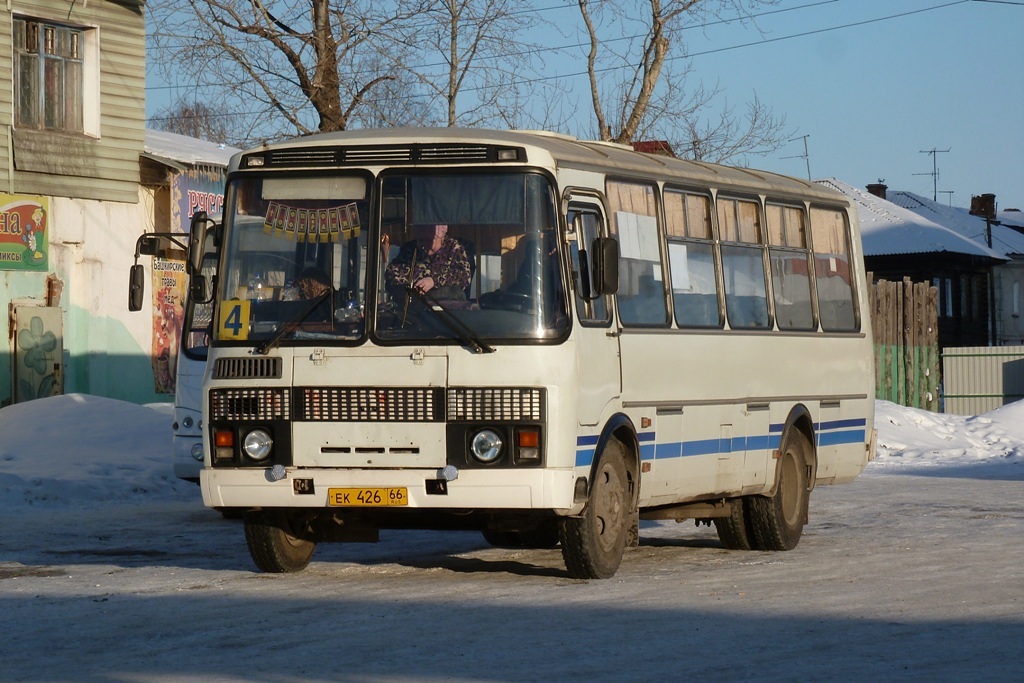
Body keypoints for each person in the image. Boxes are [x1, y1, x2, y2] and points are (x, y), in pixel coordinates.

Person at [385, 224, 472, 301]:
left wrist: (434, 280)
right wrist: (412, 285)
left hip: (446, 310)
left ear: (442, 235)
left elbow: (464, 276)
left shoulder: (454, 249)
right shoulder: (410, 249)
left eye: (429, 241)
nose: (423, 245)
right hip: (413, 308)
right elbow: (391, 273)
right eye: (420, 240)